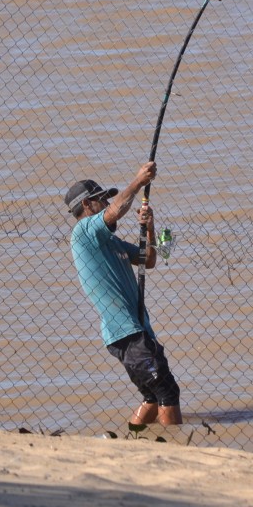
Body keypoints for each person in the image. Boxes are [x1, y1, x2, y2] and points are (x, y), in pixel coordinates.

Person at [65, 161, 182, 426]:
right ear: (87, 205)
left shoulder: (110, 241)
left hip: (133, 330)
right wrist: (139, 181)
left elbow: (148, 260)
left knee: (153, 395)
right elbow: (117, 210)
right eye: (101, 200)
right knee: (167, 390)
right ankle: (178, 448)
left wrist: (150, 227)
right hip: (126, 332)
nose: (107, 204)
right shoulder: (83, 232)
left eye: (107, 200)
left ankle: (135, 438)